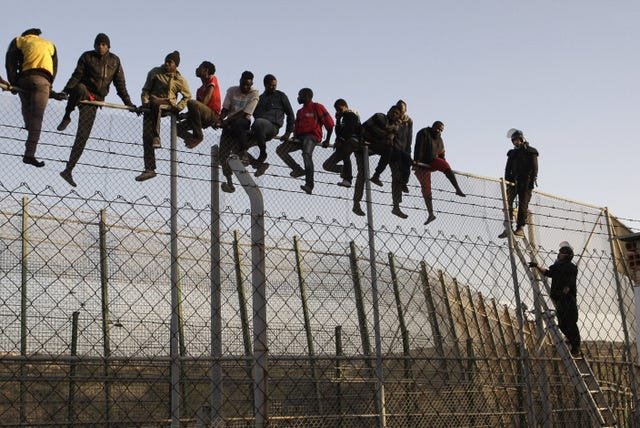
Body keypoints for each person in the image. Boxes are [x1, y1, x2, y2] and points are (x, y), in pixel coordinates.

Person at [57, 33, 136, 187]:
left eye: (103, 44)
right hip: (83, 93)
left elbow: (120, 84)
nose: (100, 47)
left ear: (108, 46)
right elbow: (76, 76)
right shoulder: (87, 57)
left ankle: (68, 170)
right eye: (98, 44)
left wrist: (128, 103)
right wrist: (65, 91)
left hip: (95, 100)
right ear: (94, 45)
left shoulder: (114, 60)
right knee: (79, 87)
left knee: (82, 136)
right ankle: (67, 116)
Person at [5, 28, 59, 167]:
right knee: (37, 117)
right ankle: (29, 154)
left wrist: (13, 83)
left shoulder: (20, 40)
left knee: (27, 109)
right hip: (42, 81)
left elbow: (10, 63)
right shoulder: (49, 45)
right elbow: (53, 68)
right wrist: (49, 88)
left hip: (24, 80)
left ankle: (30, 131)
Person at [135, 51, 191, 182]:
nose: (166, 64)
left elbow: (187, 96)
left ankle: (156, 136)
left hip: (168, 106)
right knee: (146, 136)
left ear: (176, 65)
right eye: (166, 61)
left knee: (156, 105)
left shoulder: (180, 80)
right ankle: (149, 169)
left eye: (170, 62)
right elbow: (146, 90)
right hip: (152, 106)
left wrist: (179, 107)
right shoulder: (155, 72)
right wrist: (145, 102)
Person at [276, 88, 334, 195]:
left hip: (311, 137)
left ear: (306, 96)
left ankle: (309, 185)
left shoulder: (317, 107)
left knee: (306, 155)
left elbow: (330, 124)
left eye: (300, 95)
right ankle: (297, 169)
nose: (298, 98)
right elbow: (296, 127)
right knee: (280, 150)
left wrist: (327, 140)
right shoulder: (300, 111)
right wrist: (293, 136)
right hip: (299, 138)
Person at [528, 242, 581, 356]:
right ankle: (572, 342)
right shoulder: (558, 267)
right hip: (560, 299)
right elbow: (548, 273)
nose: (559, 254)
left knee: (571, 323)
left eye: (561, 253)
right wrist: (536, 266)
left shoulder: (571, 268)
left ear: (566, 256)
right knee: (562, 324)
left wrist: (563, 294)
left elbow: (569, 284)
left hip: (567, 300)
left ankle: (575, 345)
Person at [353, 105, 401, 217]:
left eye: (397, 114)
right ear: (388, 112)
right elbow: (368, 129)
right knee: (362, 174)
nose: (394, 114)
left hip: (373, 146)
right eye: (393, 112)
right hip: (362, 145)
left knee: (390, 150)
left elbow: (389, 138)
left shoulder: (395, 126)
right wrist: (389, 136)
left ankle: (376, 175)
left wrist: (389, 138)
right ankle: (356, 204)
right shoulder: (379, 117)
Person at [413, 121, 466, 225]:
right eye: (437, 128)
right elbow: (418, 146)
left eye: (441, 130)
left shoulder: (439, 139)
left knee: (446, 166)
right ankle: (431, 214)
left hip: (433, 160)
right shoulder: (424, 132)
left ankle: (457, 189)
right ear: (433, 126)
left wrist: (443, 162)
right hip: (422, 163)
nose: (439, 131)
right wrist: (416, 161)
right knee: (426, 188)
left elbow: (441, 153)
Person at [245, 74, 294, 177]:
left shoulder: (281, 96)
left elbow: (290, 114)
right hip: (258, 131)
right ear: (265, 84)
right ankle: (258, 165)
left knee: (259, 122)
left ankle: (263, 153)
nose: (273, 87)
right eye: (271, 85)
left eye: (275, 85)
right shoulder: (260, 98)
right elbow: (251, 114)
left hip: (272, 127)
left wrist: (288, 132)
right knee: (238, 146)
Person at [218, 70, 259, 193]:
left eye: (248, 85)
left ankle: (245, 155)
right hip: (229, 124)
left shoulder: (254, 94)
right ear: (240, 81)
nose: (245, 87)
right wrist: (220, 119)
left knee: (238, 124)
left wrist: (227, 120)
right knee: (223, 153)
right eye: (243, 84)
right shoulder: (232, 90)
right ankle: (230, 183)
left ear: (251, 84)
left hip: (243, 122)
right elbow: (225, 109)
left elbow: (245, 113)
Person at [498, 128, 539, 238]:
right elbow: (507, 169)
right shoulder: (512, 153)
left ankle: (520, 228)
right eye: (514, 140)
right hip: (513, 182)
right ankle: (508, 226)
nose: (516, 142)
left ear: (521, 139)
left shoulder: (531, 151)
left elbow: (535, 168)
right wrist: (508, 182)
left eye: (517, 139)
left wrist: (531, 180)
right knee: (507, 203)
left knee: (523, 205)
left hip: (526, 182)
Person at [370, 99, 413, 194]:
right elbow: (389, 132)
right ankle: (396, 202)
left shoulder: (408, 121)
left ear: (405, 110)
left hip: (401, 149)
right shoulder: (392, 119)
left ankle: (403, 184)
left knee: (407, 163)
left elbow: (409, 138)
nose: (399, 111)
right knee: (396, 174)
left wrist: (408, 152)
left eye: (401, 110)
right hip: (392, 148)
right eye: (398, 108)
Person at [177, 60, 221, 149]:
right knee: (177, 128)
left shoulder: (212, 79)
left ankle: (198, 136)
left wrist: (198, 107)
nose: (197, 69)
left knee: (192, 103)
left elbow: (208, 95)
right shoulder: (199, 90)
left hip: (212, 114)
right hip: (200, 119)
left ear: (206, 70)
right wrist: (185, 115)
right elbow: (195, 110)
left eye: (200, 67)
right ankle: (192, 139)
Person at [322, 98, 360, 188]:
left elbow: (350, 129)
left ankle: (347, 179)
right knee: (327, 166)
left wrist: (341, 140)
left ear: (345, 106)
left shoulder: (350, 115)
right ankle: (344, 171)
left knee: (345, 155)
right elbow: (338, 132)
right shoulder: (343, 118)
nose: (338, 111)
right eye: (336, 110)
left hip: (352, 140)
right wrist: (338, 120)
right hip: (344, 142)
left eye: (339, 109)